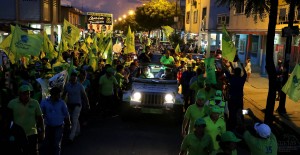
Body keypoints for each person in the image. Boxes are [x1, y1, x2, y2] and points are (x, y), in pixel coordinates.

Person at [7, 85, 45, 155]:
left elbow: (40, 118)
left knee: (33, 152)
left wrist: (42, 131)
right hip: (17, 135)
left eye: (28, 93)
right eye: (24, 94)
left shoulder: (35, 103)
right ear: (19, 94)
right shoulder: (12, 103)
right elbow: (7, 120)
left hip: (32, 133)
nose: (27, 95)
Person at [40, 87, 71, 155]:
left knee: (56, 145)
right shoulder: (45, 102)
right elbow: (40, 114)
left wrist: (68, 124)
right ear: (52, 94)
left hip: (59, 127)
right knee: (46, 144)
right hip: (48, 126)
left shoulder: (62, 103)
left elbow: (66, 114)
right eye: (58, 94)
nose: (59, 96)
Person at [62, 72, 89, 142]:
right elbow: (64, 94)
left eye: (75, 77)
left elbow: (84, 96)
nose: (74, 78)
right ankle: (78, 131)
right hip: (70, 105)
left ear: (77, 78)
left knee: (74, 119)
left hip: (77, 105)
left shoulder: (80, 86)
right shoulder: (67, 86)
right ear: (70, 77)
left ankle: (71, 136)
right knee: (75, 118)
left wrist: (87, 104)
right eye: (72, 76)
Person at [222, 62, 247, 131]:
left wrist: (222, 64)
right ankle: (241, 123)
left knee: (232, 111)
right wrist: (243, 66)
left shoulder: (231, 78)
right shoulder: (242, 79)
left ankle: (231, 124)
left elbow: (225, 71)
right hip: (239, 99)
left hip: (232, 98)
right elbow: (245, 74)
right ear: (240, 73)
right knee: (240, 111)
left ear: (234, 73)